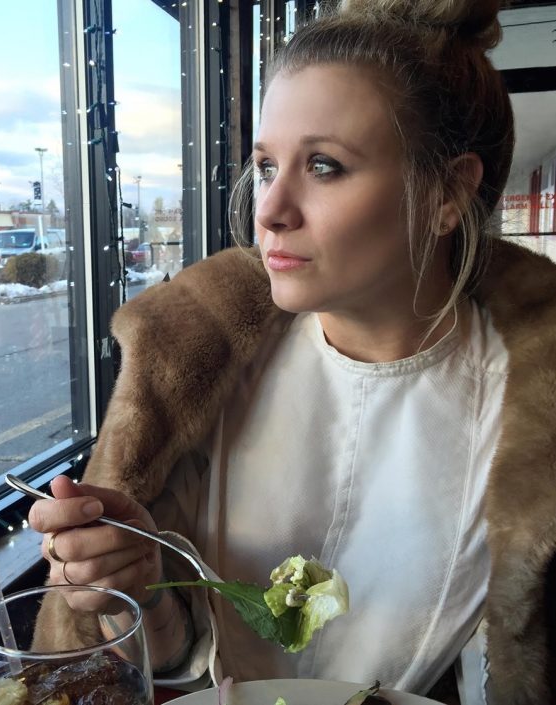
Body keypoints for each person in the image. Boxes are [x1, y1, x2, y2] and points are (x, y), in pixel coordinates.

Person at [28, 1, 556, 703]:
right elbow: (173, 661)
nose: (270, 210)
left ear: (447, 193)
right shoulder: (198, 364)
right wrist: (138, 589)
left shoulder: (528, 411)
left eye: (324, 166)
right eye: (266, 166)